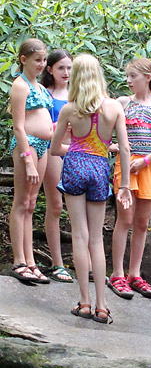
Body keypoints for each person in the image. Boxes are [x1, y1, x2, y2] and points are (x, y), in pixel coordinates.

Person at [50, 54, 132, 323]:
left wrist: (74, 148)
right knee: (97, 238)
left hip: (74, 165)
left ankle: (84, 302)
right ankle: (102, 305)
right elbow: (125, 148)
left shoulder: (69, 109)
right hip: (99, 168)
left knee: (79, 236)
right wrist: (126, 185)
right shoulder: (113, 108)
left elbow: (54, 149)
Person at [108, 58, 151, 300]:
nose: (128, 81)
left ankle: (134, 274)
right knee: (124, 218)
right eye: (127, 76)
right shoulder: (123, 103)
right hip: (125, 165)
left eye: (132, 76)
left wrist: (146, 161)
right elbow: (104, 125)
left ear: (147, 77)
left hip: (149, 165)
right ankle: (117, 273)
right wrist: (114, 146)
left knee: (142, 222)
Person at [8, 39, 53, 285]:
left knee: (32, 203)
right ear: (24, 59)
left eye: (44, 60)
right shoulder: (20, 85)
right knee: (21, 202)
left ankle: (31, 260)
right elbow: (18, 126)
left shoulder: (41, 87)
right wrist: (27, 160)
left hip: (44, 146)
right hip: (28, 147)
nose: (42, 64)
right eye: (37, 60)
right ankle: (19, 260)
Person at [41, 48, 74, 283]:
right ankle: (57, 263)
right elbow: (39, 126)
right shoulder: (44, 93)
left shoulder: (77, 95)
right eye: (61, 67)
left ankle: (88, 264)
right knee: (55, 205)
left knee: (78, 209)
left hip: (76, 152)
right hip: (52, 151)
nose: (66, 72)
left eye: (69, 68)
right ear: (50, 69)